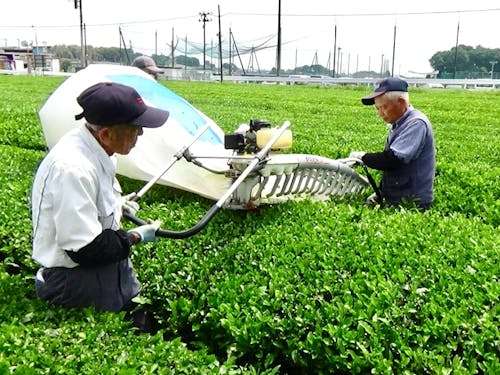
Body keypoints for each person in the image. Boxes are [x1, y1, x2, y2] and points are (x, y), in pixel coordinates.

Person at [31, 81, 170, 332]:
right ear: (106, 133)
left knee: (141, 322)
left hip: (109, 269)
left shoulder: (97, 149)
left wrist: (118, 205)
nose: (140, 135)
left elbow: (90, 204)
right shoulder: (73, 168)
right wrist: (136, 236)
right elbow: (85, 249)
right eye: (135, 129)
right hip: (76, 280)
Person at [349, 77, 436, 210]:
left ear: (401, 102)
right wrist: (381, 192)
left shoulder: (416, 123)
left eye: (383, 107)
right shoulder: (400, 123)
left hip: (412, 203)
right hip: (397, 198)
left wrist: (363, 157)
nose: (380, 114)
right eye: (377, 109)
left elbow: (393, 160)